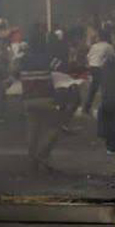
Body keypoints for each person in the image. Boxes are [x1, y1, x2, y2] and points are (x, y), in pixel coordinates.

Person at [19, 25, 68, 172]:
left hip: (28, 101)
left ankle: (32, 162)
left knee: (32, 132)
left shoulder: (23, 59)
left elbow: (13, 73)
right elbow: (62, 68)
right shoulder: (48, 58)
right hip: (46, 100)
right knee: (55, 127)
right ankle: (42, 154)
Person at [83, 25, 115, 114]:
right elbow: (113, 58)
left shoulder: (94, 46)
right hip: (102, 68)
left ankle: (86, 107)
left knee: (93, 88)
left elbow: (88, 57)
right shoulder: (109, 46)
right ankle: (106, 107)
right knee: (106, 88)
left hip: (92, 67)